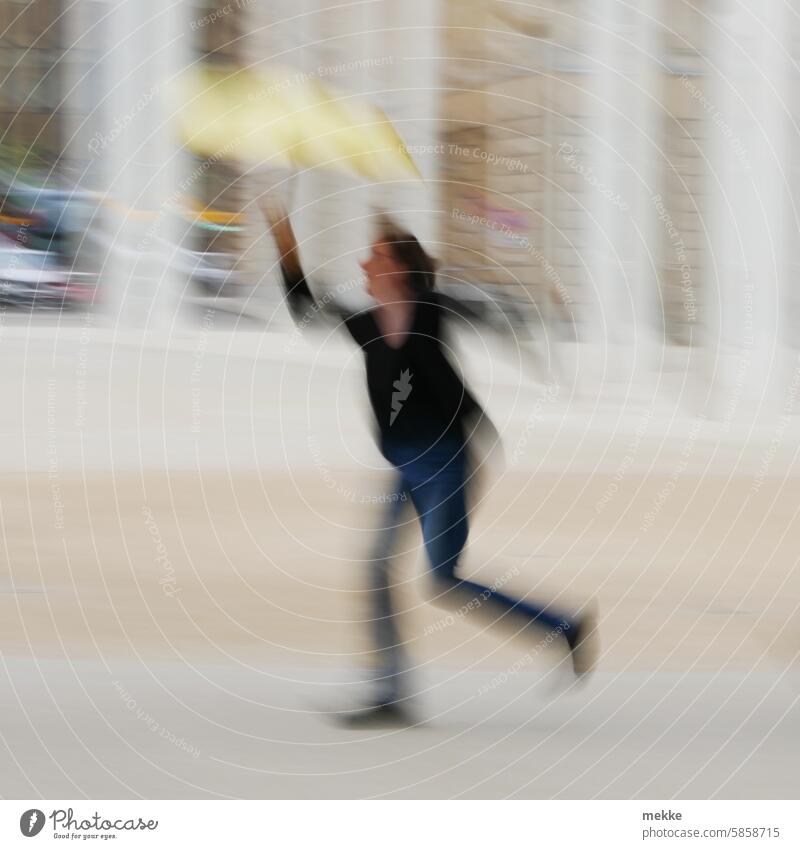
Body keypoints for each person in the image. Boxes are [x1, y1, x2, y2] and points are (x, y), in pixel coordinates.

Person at [262, 202, 597, 725]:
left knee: (443, 578)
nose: (364, 266)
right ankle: (392, 694)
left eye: (374, 257)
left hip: (447, 460)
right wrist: (284, 240)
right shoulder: (368, 326)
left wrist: (542, 316)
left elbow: (491, 307)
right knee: (379, 567)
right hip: (406, 464)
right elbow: (306, 308)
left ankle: (561, 628)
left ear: (396, 268)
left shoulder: (432, 310)